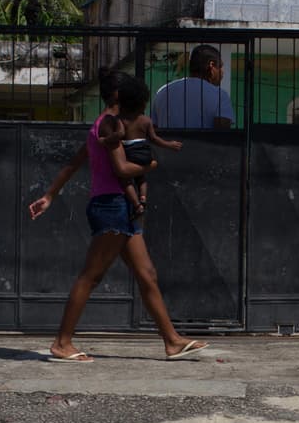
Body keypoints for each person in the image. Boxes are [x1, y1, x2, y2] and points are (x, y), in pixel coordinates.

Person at [28, 71, 209, 362]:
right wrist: (149, 166)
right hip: (111, 206)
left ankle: (172, 341)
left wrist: (50, 195)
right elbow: (122, 170)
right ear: (118, 95)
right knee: (91, 275)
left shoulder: (104, 125)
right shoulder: (110, 125)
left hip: (120, 206)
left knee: (146, 273)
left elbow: (75, 162)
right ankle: (62, 343)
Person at [97, 88, 183, 223]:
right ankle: (143, 197)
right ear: (142, 104)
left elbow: (120, 134)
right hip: (145, 153)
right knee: (141, 178)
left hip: (130, 152)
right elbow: (154, 139)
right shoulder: (146, 120)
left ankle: (137, 205)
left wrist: (105, 140)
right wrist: (169, 144)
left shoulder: (121, 119)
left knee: (125, 180)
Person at [150, 45, 235, 130]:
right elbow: (222, 133)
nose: (222, 72)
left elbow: (153, 130)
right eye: (220, 66)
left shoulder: (163, 92)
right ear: (211, 65)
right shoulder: (220, 96)